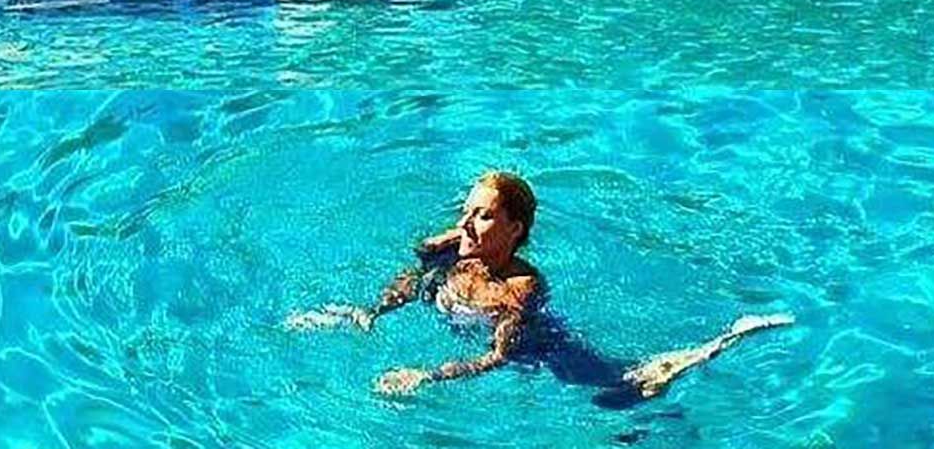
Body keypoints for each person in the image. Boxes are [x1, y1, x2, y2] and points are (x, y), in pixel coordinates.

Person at [287, 172, 794, 405]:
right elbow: (416, 273)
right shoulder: (456, 251)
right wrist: (371, 312)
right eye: (464, 211)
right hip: (507, 342)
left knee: (633, 388)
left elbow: (499, 357)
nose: (465, 223)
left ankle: (726, 340)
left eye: (482, 216)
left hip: (556, 356)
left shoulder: (520, 287)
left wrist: (428, 375)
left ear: (515, 230)